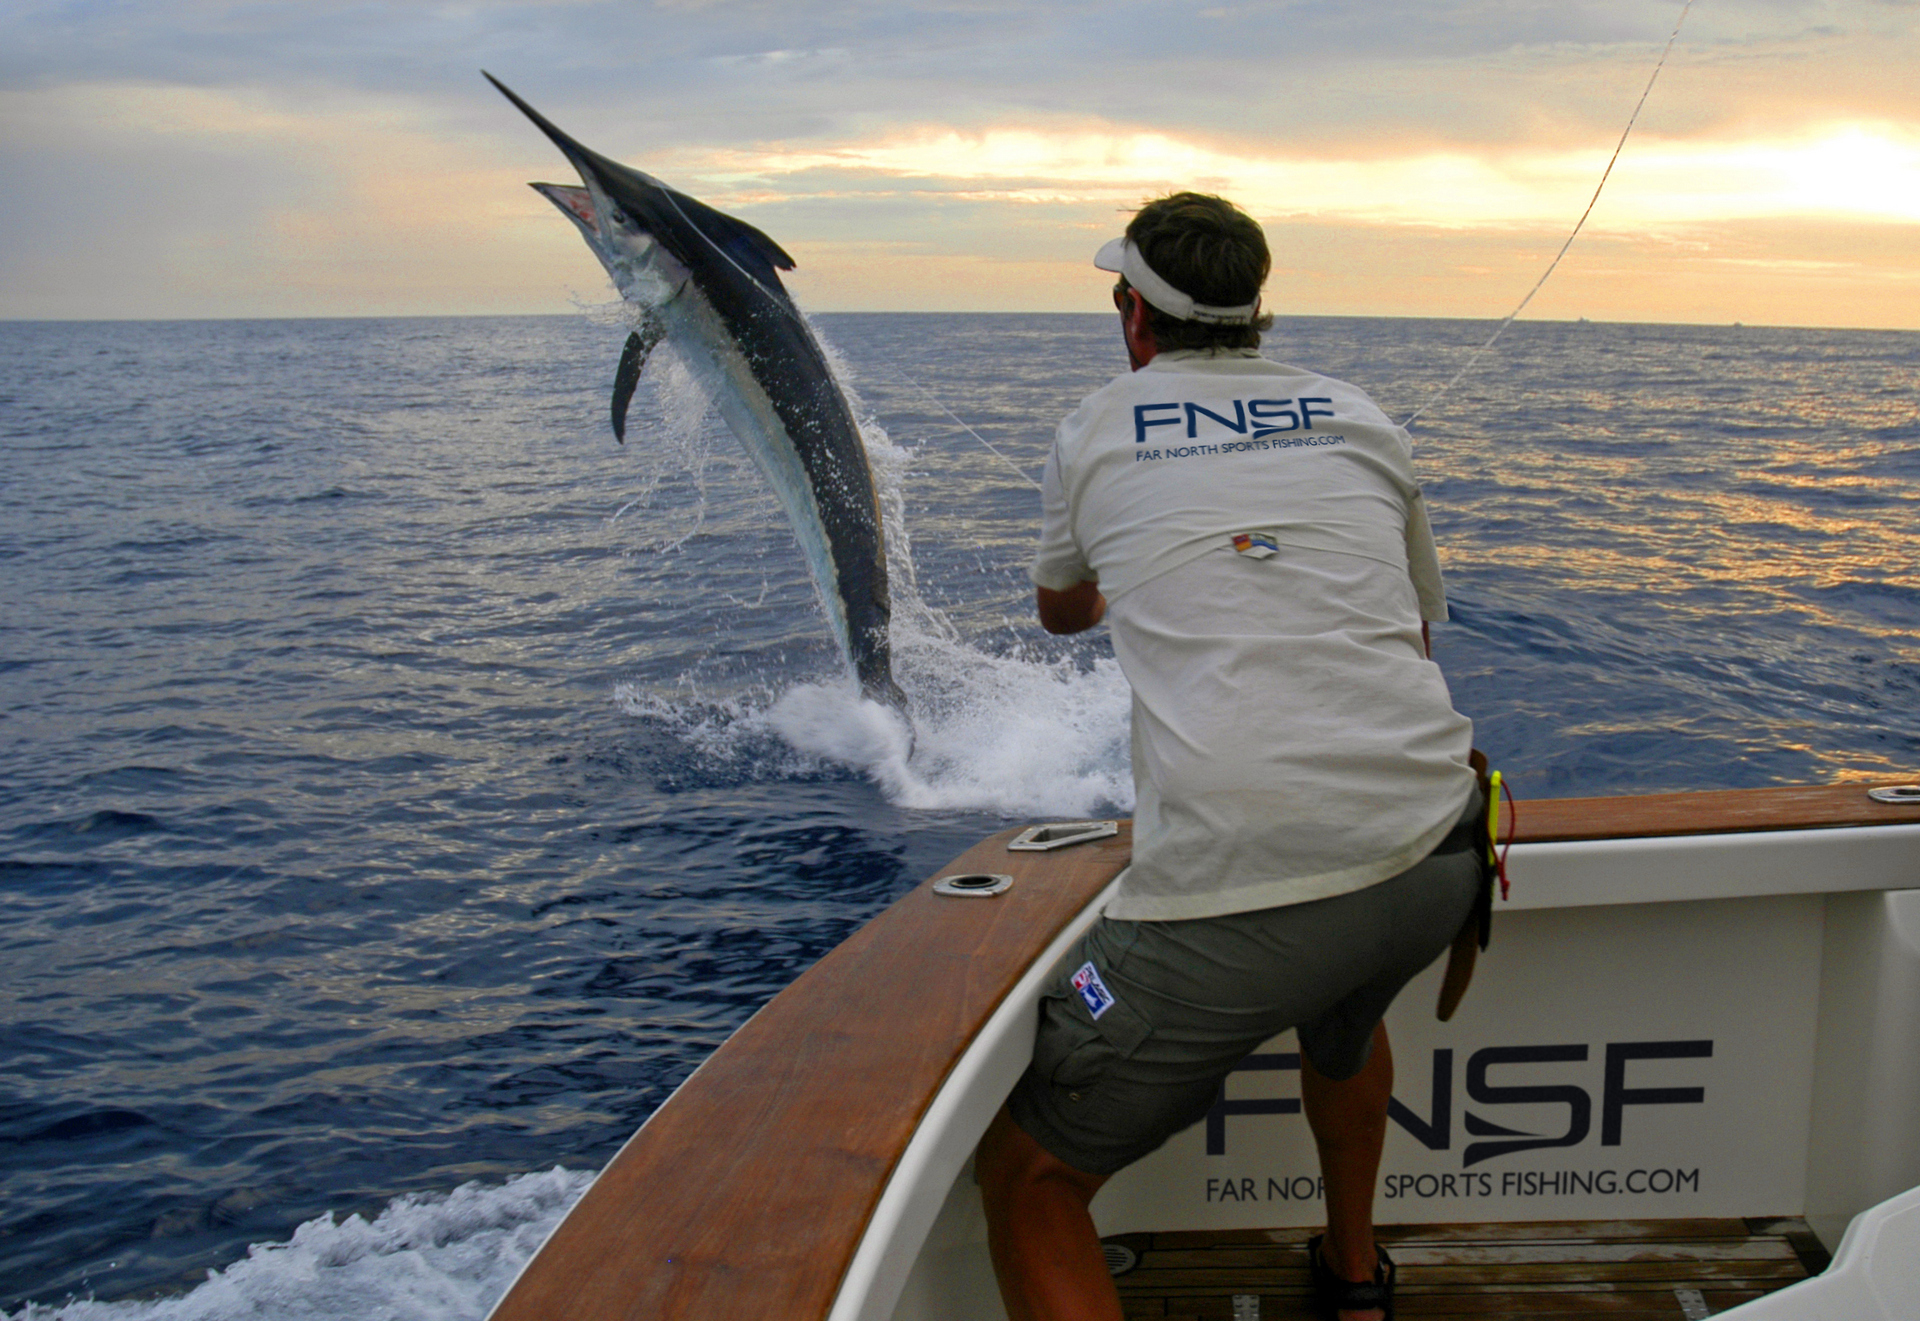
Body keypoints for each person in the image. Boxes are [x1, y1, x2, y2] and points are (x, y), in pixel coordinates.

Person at [974, 193, 1483, 1321]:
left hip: (1245, 896)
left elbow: (1062, 614)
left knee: (1029, 1178)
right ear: (1259, 311)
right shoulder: (1358, 412)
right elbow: (1409, 638)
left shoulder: (1097, 427)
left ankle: (1346, 1271)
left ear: (1132, 316)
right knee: (1345, 1031)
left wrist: (1145, 558)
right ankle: (1354, 1281)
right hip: (1438, 853)